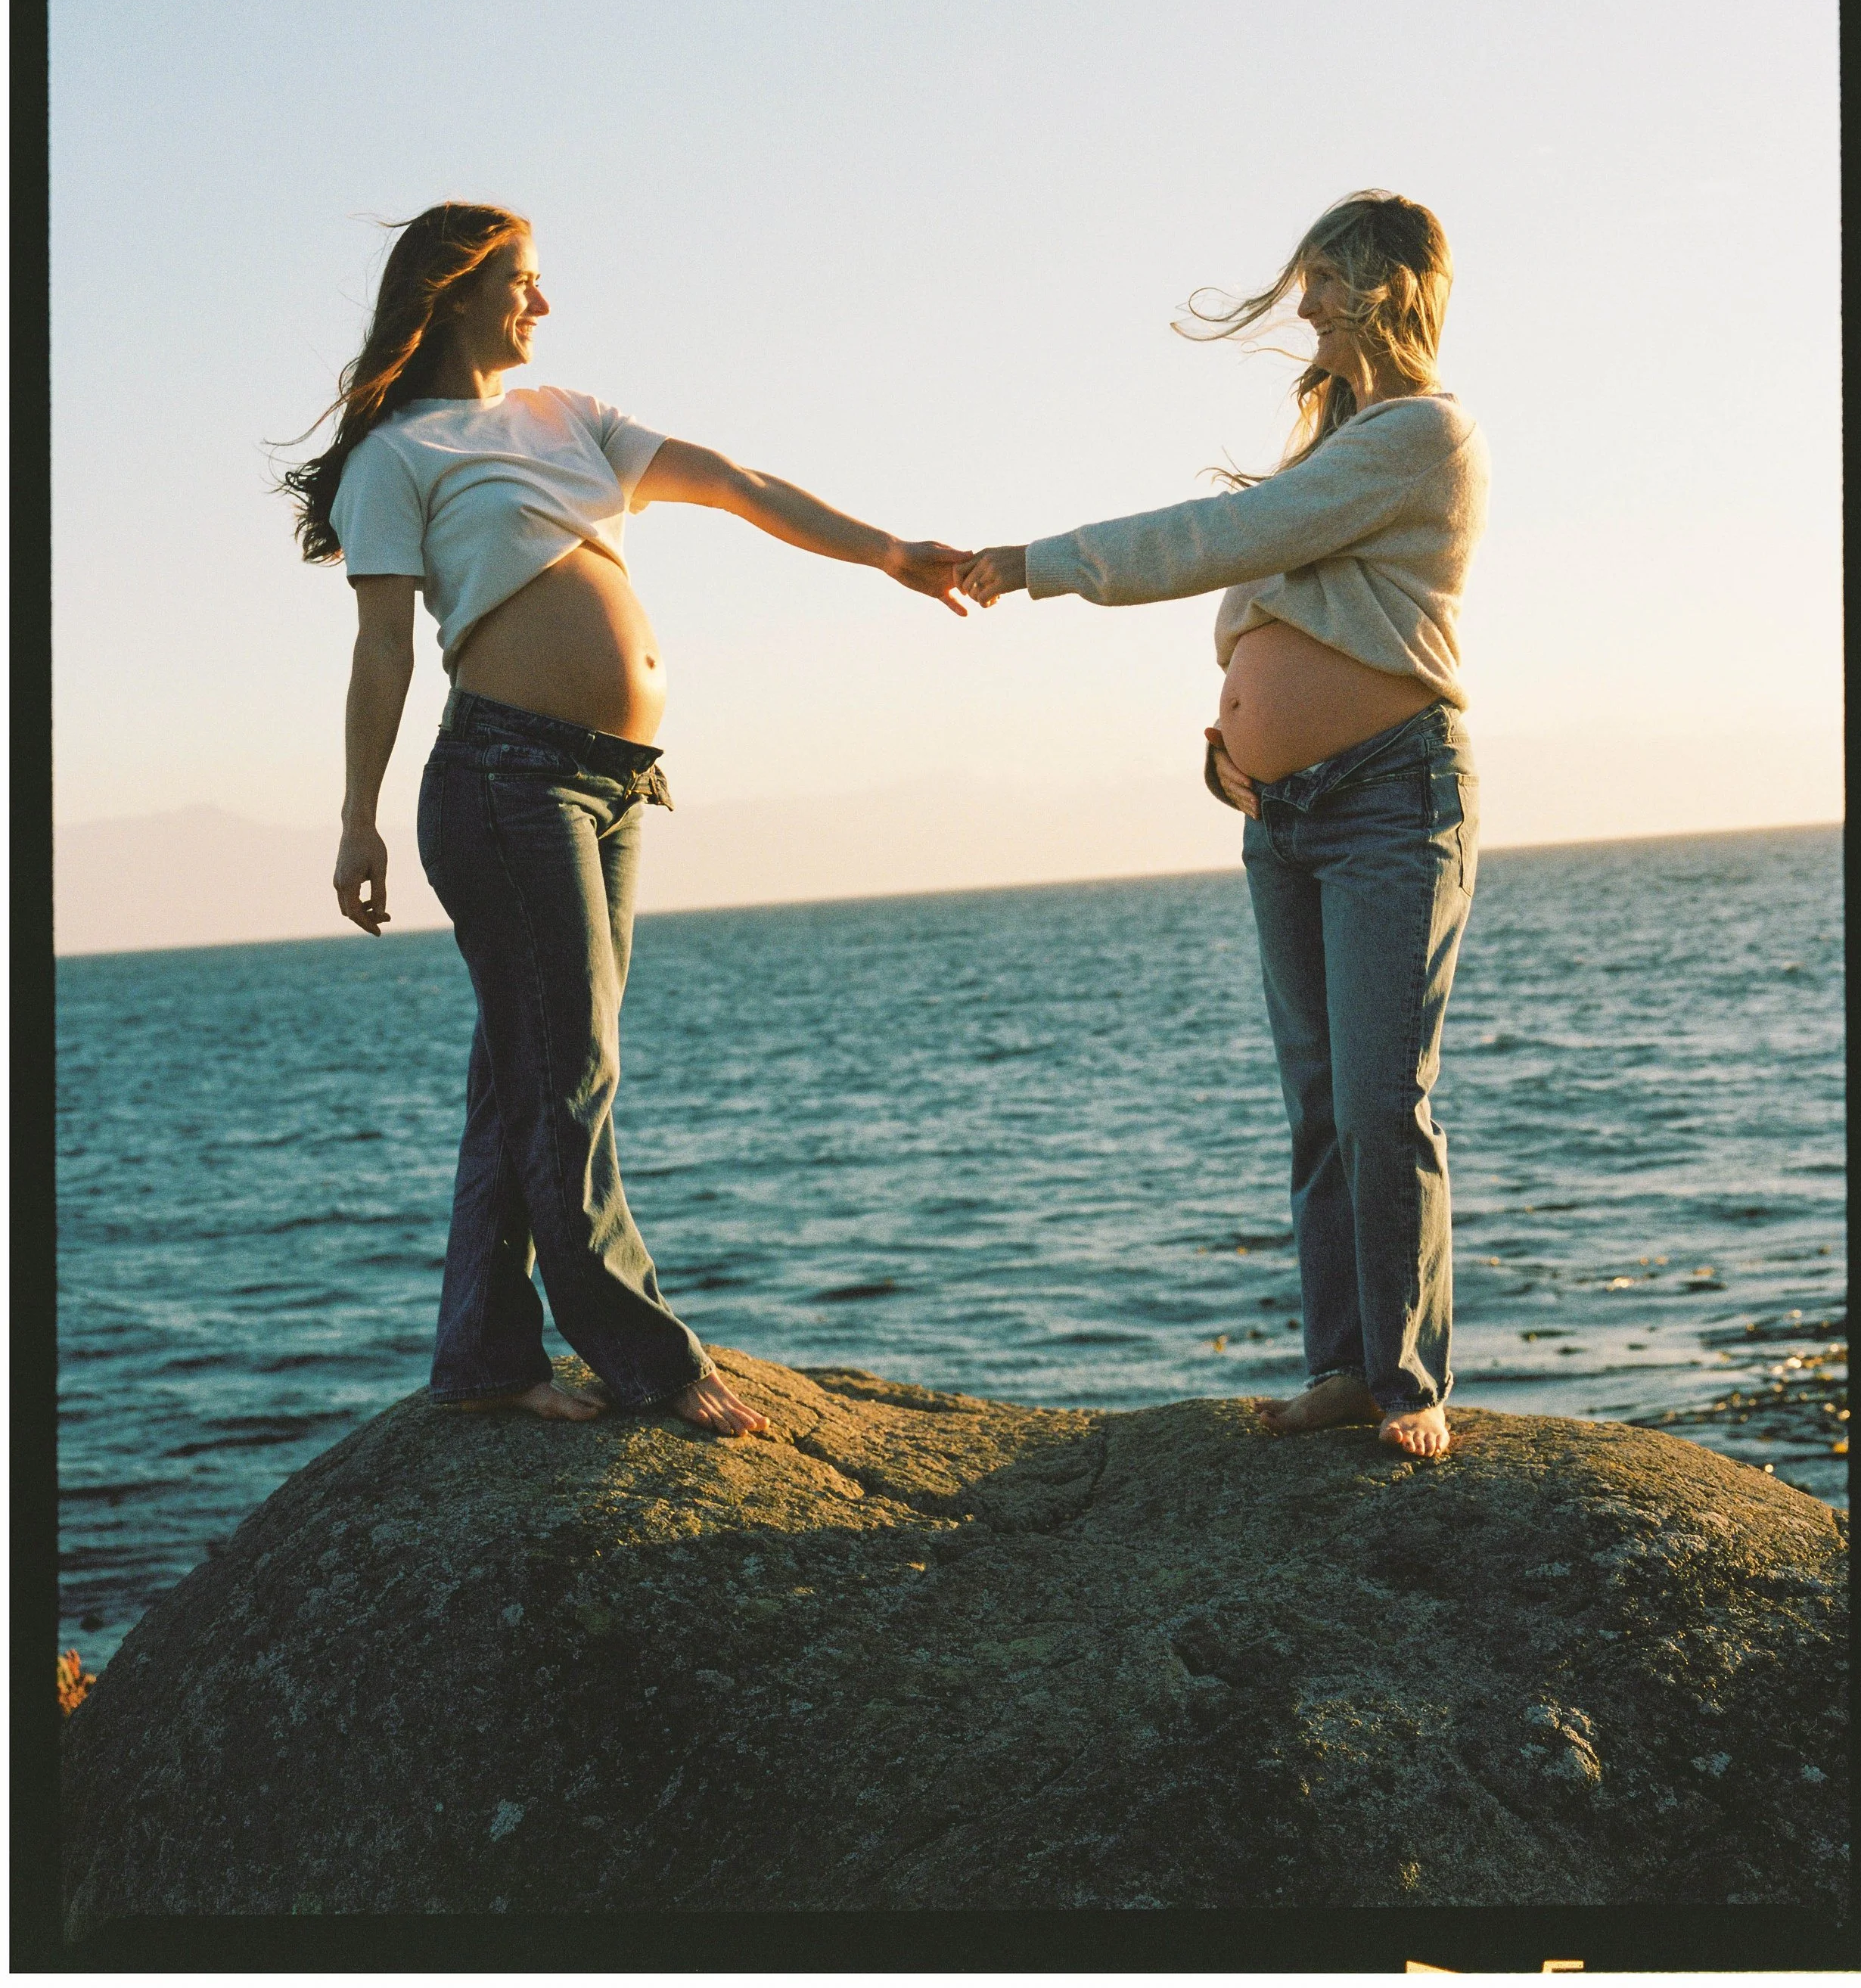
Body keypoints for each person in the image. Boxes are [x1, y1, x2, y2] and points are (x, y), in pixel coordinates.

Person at [281, 202, 969, 1437]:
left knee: (527, 1076)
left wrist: (889, 554)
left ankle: (485, 1355)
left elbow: (741, 485)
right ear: (455, 294)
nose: (543, 303)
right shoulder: (399, 455)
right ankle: (645, 1357)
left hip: (614, 785)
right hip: (504, 782)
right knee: (572, 1070)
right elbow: (383, 647)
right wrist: (356, 819)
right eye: (522, 282)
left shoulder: (572, 415)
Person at [958, 191, 1488, 1458]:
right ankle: (1345, 1367)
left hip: (1388, 798)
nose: (1299, 306)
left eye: (1318, 281)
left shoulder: (1423, 434)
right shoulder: (1330, 461)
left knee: (1378, 1099)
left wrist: (1037, 561)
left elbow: (1220, 538)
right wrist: (1242, 741)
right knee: (1317, 1104)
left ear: (1379, 286)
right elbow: (1259, 599)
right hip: (1288, 813)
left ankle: (1409, 1379)